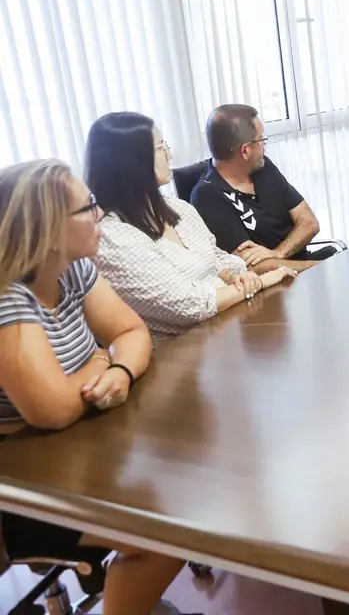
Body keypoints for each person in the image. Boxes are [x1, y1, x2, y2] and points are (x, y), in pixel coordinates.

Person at [0, 159, 187, 615]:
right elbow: (54, 409)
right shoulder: (7, 296)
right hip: (18, 489)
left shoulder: (74, 270)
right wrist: (100, 359)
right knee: (167, 532)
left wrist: (119, 370)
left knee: (181, 503)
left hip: (76, 458)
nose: (100, 214)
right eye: (89, 207)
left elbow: (133, 332)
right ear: (48, 229)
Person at [85, 112, 296, 344]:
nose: (170, 155)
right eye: (160, 148)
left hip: (227, 329)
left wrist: (235, 275)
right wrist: (261, 281)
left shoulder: (178, 208)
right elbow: (188, 306)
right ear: (130, 161)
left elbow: (217, 256)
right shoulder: (112, 237)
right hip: (178, 356)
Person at [190, 104, 327, 274]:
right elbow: (253, 267)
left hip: (304, 268)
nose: (264, 146)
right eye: (261, 139)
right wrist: (321, 268)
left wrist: (278, 252)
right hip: (272, 288)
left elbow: (310, 222)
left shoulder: (263, 167)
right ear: (245, 150)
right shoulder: (207, 197)